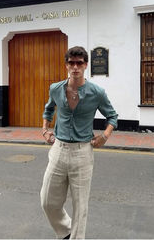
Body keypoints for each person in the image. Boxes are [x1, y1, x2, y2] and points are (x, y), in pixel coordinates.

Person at [40, 46, 118, 239]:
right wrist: (44, 130)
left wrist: (105, 136)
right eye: (71, 63)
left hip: (83, 152)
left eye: (79, 63)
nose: (75, 67)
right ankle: (65, 231)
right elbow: (48, 110)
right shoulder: (56, 88)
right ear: (66, 65)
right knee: (47, 201)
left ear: (85, 65)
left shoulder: (96, 92)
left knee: (80, 206)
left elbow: (112, 116)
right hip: (58, 149)